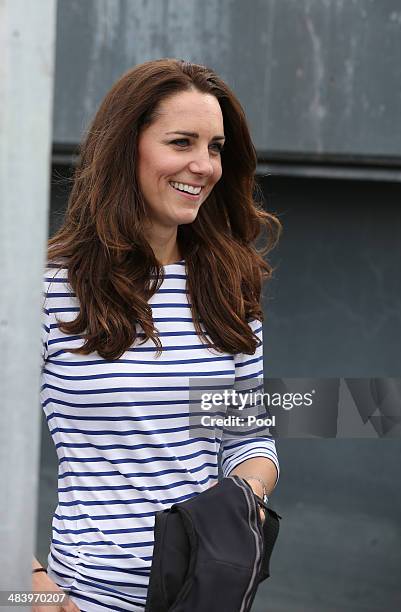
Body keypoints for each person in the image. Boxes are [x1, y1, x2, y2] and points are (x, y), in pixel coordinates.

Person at [33, 58, 281, 612]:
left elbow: (249, 439)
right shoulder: (50, 291)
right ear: (127, 149)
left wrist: (244, 502)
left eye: (215, 147)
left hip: (206, 597)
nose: (204, 165)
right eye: (181, 142)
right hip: (80, 599)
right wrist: (33, 594)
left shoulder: (228, 286)